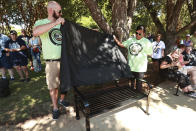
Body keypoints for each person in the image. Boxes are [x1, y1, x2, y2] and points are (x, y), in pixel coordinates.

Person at [33, 1, 69, 120]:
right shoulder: (41, 22)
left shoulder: (62, 22)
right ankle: (55, 108)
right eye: (59, 11)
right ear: (51, 10)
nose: (61, 13)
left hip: (64, 60)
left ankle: (62, 100)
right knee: (53, 87)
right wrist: (55, 23)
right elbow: (35, 32)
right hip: (51, 61)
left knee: (65, 83)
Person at [113, 25, 152, 92]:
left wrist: (141, 53)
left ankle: (137, 96)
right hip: (131, 66)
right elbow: (122, 44)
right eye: (136, 33)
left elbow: (150, 54)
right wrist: (115, 39)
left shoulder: (147, 42)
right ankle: (131, 94)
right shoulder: (131, 40)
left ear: (144, 34)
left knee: (139, 84)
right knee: (131, 82)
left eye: (140, 34)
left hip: (140, 68)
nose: (137, 35)